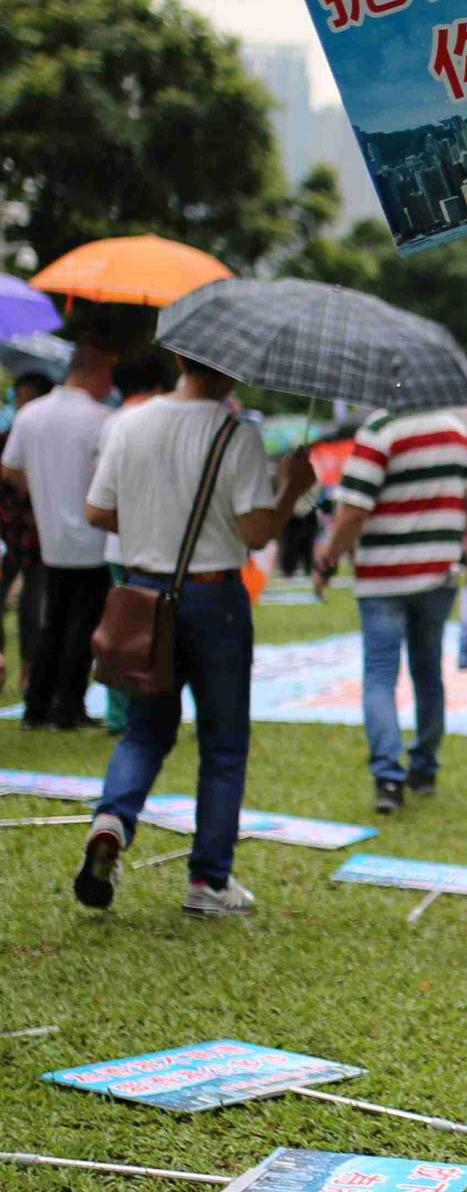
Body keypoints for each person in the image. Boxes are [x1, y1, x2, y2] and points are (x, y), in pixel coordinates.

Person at [72, 354, 314, 917]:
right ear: (231, 370)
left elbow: (96, 511)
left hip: (143, 594)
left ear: (179, 358)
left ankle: (111, 820)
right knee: (223, 745)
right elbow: (255, 532)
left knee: (143, 731)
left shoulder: (128, 422)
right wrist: (291, 488)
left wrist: (158, 522)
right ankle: (208, 881)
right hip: (214, 599)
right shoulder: (237, 434)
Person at [314, 407, 467, 815]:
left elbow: (354, 510)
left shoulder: (378, 430)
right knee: (428, 672)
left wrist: (327, 561)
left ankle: (388, 778)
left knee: (379, 675)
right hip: (438, 574)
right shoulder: (456, 434)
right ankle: (424, 769)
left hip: (381, 579)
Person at [1, 339, 118, 729]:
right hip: (93, 537)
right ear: (97, 370)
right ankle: (69, 706)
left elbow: (9, 467)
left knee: (53, 623)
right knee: (82, 625)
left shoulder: (31, 414)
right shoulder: (102, 418)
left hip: (51, 536)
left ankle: (37, 705)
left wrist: (43, 488)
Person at [98, 353, 176, 735]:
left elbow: (100, 499)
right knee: (158, 631)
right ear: (159, 386)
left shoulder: (112, 422)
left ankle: (119, 715)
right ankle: (147, 709)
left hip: (119, 542)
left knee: (119, 630)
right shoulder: (165, 422)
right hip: (159, 545)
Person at [0, 368, 51, 698]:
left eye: (28, 399)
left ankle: (30, 674)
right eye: (19, 399)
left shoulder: (49, 442)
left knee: (34, 608)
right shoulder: (6, 439)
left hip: (38, 539)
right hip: (9, 535)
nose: (22, 406)